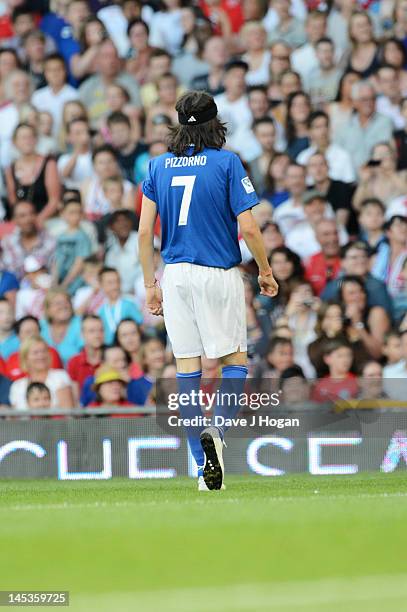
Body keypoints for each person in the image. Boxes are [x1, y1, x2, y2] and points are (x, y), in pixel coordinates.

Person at [139, 89, 278, 491]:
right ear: (216, 123)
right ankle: (216, 433)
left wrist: (152, 285)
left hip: (176, 273)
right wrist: (265, 271)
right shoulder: (228, 163)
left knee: (187, 371)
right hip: (217, 271)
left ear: (179, 125)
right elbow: (248, 226)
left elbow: (146, 230)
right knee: (235, 362)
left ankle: (202, 470)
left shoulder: (157, 166)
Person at [5, 123, 61, 225]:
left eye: (30, 137)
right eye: (23, 138)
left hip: (46, 221)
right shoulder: (10, 169)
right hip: (22, 224)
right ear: (15, 142)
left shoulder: (49, 163)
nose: (27, 141)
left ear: (36, 140)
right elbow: (13, 203)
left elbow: (54, 201)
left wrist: (37, 221)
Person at [79, 38, 141, 129]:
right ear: (97, 60)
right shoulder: (87, 87)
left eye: (114, 56)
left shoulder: (130, 83)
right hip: (94, 134)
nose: (111, 61)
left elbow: (138, 110)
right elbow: (80, 117)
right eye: (106, 56)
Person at [322, 240, 394, 318]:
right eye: (354, 257)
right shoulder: (336, 285)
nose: (361, 261)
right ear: (342, 262)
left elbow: (386, 317)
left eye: (364, 256)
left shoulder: (377, 286)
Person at [334, 80, 394, 172]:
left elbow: (386, 155)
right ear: (354, 102)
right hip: (350, 181)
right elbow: (338, 158)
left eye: (372, 98)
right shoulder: (344, 128)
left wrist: (367, 168)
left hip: (378, 177)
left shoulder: (385, 122)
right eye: (364, 99)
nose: (369, 103)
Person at [9, 335, 75, 410]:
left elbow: (68, 414)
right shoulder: (17, 386)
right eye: (35, 353)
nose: (41, 355)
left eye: (44, 351)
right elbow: (14, 419)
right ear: (25, 358)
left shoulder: (60, 377)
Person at [1, 200, 56, 280]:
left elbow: (56, 272)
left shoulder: (50, 241)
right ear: (15, 220)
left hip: (44, 288)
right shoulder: (8, 242)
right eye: (22, 216)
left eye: (32, 213)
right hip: (13, 289)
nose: (28, 219)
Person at [297, 111, 355, 184]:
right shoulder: (303, 157)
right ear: (309, 132)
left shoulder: (343, 155)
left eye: (326, 126)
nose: (323, 131)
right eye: (318, 127)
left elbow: (349, 183)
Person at [31, 53, 78, 138]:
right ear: (45, 73)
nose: (55, 73)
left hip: (67, 141)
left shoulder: (74, 95)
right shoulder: (37, 96)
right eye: (50, 70)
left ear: (65, 71)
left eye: (58, 69)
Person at [5, 315, 63, 381]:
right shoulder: (12, 358)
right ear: (18, 335)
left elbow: (56, 379)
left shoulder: (50, 353)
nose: (32, 335)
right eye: (28, 332)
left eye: (35, 331)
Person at [97, 267, 143, 344]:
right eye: (110, 283)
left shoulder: (130, 303)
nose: (115, 286)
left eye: (117, 281)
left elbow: (141, 327)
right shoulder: (100, 311)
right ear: (101, 285)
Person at [304, 217, 342, 296]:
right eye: (326, 234)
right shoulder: (309, 262)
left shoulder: (351, 259)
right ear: (316, 238)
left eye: (335, 233)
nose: (333, 238)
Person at [107, 111, 148, 183]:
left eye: (121, 130)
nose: (118, 135)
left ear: (130, 130)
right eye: (114, 132)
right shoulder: (111, 155)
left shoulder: (145, 149)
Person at [67, 314, 103, 391]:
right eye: (92, 331)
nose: (97, 335)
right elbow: (75, 398)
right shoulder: (74, 362)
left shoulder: (112, 358)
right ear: (82, 334)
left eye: (101, 330)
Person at [57, 117, 93, 189]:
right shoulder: (64, 158)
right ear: (69, 137)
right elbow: (64, 175)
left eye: (85, 131)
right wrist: (78, 149)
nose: (84, 135)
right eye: (78, 133)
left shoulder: (98, 155)